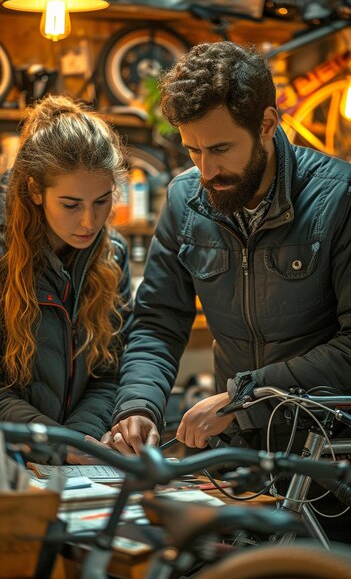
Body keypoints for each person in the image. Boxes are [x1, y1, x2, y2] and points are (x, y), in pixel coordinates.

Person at [110, 40, 351, 457]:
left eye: (220, 149)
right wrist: (139, 405)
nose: (206, 170)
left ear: (267, 124)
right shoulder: (185, 200)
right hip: (236, 451)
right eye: (193, 150)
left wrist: (245, 397)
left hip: (327, 451)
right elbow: (157, 321)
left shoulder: (339, 197)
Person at [0, 94, 133, 464]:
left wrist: (80, 440)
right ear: (35, 191)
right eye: (71, 205)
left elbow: (110, 371)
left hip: (77, 462)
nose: (89, 222)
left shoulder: (112, 256)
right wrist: (61, 444)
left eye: (102, 201)